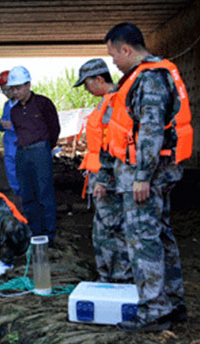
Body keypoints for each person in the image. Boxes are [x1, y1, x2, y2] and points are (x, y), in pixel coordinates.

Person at [104, 22, 193, 332]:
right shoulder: (152, 75)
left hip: (145, 177)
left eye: (114, 55)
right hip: (157, 174)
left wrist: (142, 176)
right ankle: (172, 303)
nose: (113, 62)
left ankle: (154, 310)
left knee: (143, 242)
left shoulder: (150, 78)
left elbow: (151, 131)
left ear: (126, 49)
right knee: (160, 237)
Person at [74, 58, 132, 284]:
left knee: (112, 232)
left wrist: (103, 181)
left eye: (87, 84)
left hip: (111, 181)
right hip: (104, 178)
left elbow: (112, 148)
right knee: (103, 231)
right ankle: (108, 276)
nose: (86, 89)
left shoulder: (115, 102)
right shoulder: (106, 102)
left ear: (99, 79)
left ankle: (119, 279)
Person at [6, 66, 60, 242]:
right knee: (27, 193)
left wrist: (45, 148)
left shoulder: (43, 103)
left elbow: (54, 128)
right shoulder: (14, 111)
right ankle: (35, 232)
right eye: (13, 88)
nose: (16, 91)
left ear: (28, 85)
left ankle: (49, 233)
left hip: (40, 150)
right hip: (22, 153)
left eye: (19, 87)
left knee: (44, 192)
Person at [0, 70, 21, 195]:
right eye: (3, 91)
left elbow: (31, 127)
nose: (5, 93)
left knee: (23, 176)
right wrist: (0, 125)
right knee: (11, 173)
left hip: (21, 146)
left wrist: (12, 126)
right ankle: (17, 195)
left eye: (7, 90)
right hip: (9, 147)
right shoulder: (7, 105)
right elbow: (4, 127)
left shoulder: (24, 104)